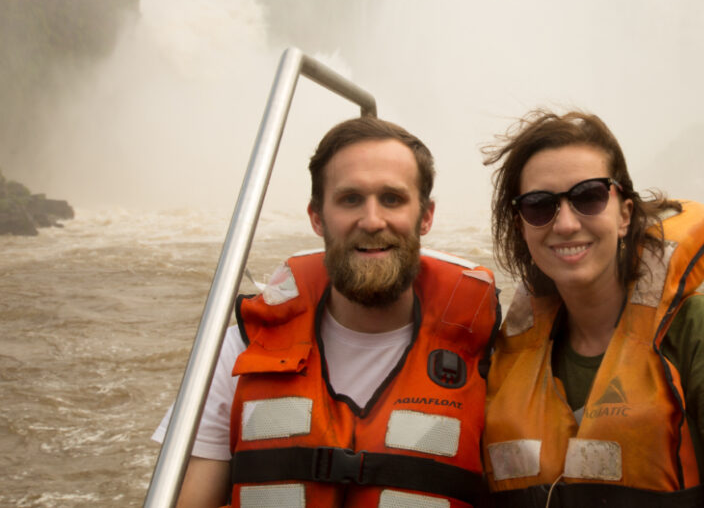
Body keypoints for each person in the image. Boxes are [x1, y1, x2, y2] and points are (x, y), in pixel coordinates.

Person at [153, 116, 499, 507]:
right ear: (317, 217)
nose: (371, 221)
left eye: (392, 199)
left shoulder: (489, 357)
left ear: (426, 216)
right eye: (350, 199)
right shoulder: (240, 353)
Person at [480, 110, 704, 507]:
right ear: (521, 226)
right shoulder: (501, 355)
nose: (565, 224)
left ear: (624, 214)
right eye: (539, 205)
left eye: (588, 197)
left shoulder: (702, 333)